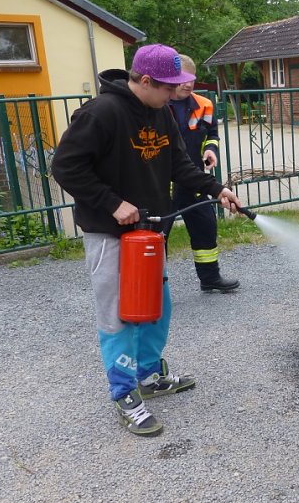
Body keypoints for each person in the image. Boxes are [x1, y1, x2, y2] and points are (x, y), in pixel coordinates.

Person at [51, 44, 243, 437]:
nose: (175, 94)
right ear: (145, 80)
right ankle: (124, 393)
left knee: (156, 307)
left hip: (151, 232)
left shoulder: (161, 112)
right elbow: (65, 166)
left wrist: (216, 188)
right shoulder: (100, 114)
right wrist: (111, 202)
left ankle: (150, 376)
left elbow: (178, 164)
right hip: (111, 233)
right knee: (119, 314)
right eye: (168, 87)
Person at [164, 54, 239, 292]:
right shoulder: (157, 105)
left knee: (205, 226)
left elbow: (212, 134)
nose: (187, 84)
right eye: (182, 79)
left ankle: (210, 278)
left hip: (193, 178)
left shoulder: (204, 104)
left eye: (191, 79)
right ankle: (155, 284)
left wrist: (210, 150)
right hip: (163, 182)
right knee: (157, 235)